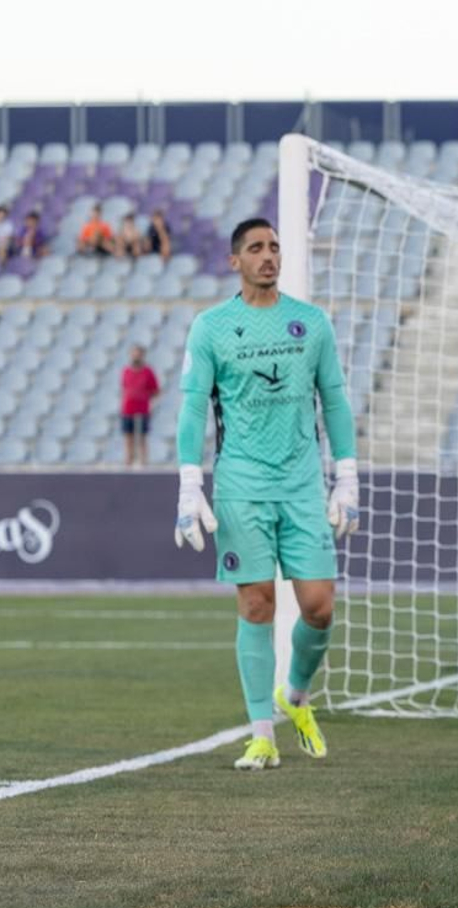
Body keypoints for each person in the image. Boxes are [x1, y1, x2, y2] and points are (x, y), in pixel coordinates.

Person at [174, 217, 360, 771]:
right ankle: (261, 734)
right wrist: (189, 485)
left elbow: (335, 400)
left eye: (274, 246)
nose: (268, 255)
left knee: (319, 607)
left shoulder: (311, 323)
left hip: (302, 485)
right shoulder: (211, 327)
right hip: (242, 486)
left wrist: (347, 475)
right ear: (236, 261)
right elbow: (192, 408)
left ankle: (295, 695)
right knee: (257, 603)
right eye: (256, 248)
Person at [120, 345, 160, 467]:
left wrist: (145, 397)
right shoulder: (126, 371)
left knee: (142, 436)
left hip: (142, 408)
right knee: (128, 436)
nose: (136, 357)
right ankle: (128, 460)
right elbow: (124, 387)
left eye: (138, 354)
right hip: (128, 408)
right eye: (134, 354)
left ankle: (143, 461)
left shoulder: (148, 372)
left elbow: (156, 390)